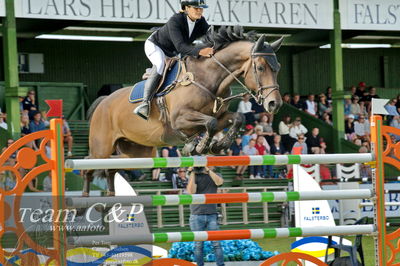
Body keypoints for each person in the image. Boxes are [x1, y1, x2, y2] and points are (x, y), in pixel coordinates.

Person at [134, 0, 213, 120]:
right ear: (186, 8)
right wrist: (200, 51)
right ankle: (145, 103)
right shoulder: (175, 20)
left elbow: (210, 38)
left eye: (201, 8)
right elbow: (181, 47)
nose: (199, 11)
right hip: (156, 46)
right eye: (196, 8)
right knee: (160, 64)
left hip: (173, 52)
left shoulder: (200, 21)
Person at [187, 166, 225, 266]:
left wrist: (208, 170)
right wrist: (193, 172)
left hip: (211, 213)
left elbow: (219, 182)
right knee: (198, 245)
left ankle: (220, 265)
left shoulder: (216, 175)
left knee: (216, 244)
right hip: (196, 214)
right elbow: (191, 191)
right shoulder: (194, 175)